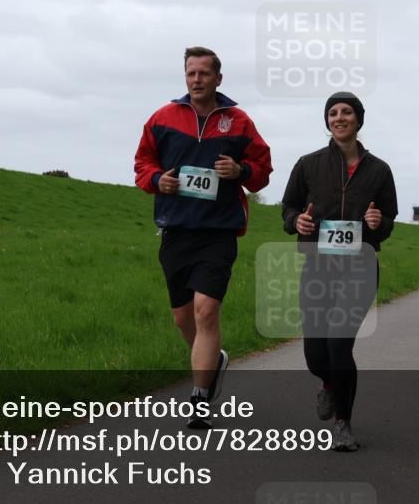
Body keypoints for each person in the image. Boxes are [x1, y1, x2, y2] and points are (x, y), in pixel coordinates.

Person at [134, 46, 272, 429]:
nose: (197, 80)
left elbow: (263, 168)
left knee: (206, 310)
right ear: (185, 77)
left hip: (219, 231)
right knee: (183, 320)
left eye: (204, 74)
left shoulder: (238, 121)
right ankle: (215, 360)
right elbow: (143, 163)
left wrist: (240, 170)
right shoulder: (163, 118)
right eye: (191, 73)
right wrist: (157, 180)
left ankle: (199, 398)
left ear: (218, 79)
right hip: (176, 229)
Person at [282, 91, 398, 452]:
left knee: (339, 343)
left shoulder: (379, 170)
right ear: (327, 121)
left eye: (347, 112)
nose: (339, 117)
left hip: (359, 268)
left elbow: (389, 220)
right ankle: (329, 385)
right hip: (319, 266)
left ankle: (343, 424)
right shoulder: (308, 164)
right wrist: (296, 221)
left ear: (358, 120)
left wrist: (378, 223)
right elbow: (288, 209)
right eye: (333, 113)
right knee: (316, 354)